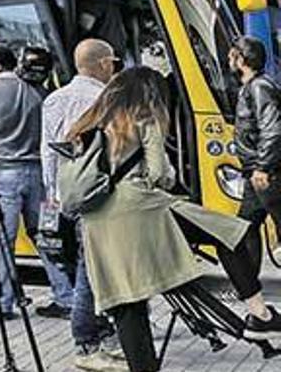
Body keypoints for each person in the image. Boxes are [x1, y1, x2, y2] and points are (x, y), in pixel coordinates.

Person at [66, 67, 249, 371]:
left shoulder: (88, 120)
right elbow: (159, 174)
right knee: (229, 231)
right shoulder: (143, 116)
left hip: (95, 221)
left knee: (126, 302)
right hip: (135, 210)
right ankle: (258, 314)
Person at [0, 43, 75, 320]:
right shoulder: (40, 93)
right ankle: (65, 296)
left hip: (3, 173)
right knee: (45, 237)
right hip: (38, 173)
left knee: (3, 240)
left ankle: (5, 303)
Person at [41, 40, 123, 370]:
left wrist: (54, 195)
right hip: (98, 197)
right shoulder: (105, 100)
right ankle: (87, 345)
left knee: (87, 268)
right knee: (90, 274)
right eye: (113, 62)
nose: (115, 68)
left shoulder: (54, 99)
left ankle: (102, 336)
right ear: (103, 64)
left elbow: (47, 153)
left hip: (67, 195)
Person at [226, 36, 281, 339]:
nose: (228, 59)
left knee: (244, 231)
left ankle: (257, 306)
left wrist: (263, 166)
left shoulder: (260, 87)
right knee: (241, 232)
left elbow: (273, 128)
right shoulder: (250, 88)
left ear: (242, 59)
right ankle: (254, 303)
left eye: (232, 55)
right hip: (255, 176)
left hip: (266, 175)